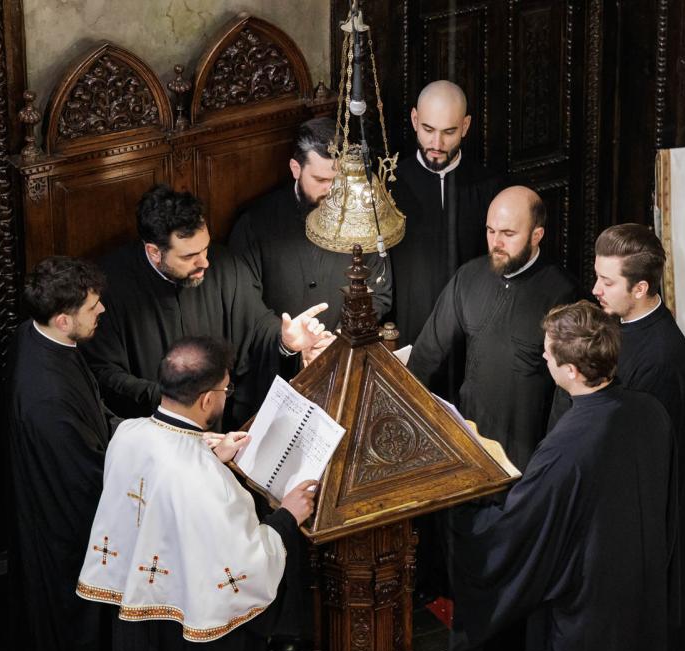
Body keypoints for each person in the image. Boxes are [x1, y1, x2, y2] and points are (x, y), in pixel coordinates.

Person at [75, 335, 318, 651]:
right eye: (225, 390)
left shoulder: (129, 434)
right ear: (207, 398)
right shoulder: (206, 481)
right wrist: (287, 515)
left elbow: (163, 486)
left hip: (137, 623)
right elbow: (248, 564)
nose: (225, 397)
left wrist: (210, 452)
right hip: (196, 643)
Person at [451, 300, 675, 651]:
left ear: (571, 370)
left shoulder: (568, 443)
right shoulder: (650, 412)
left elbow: (519, 530)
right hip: (637, 593)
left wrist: (471, 504)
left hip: (583, 613)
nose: (544, 358)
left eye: (549, 354)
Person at [82, 184, 334, 424]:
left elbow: (256, 326)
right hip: (159, 427)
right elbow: (105, 373)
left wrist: (285, 341)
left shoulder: (224, 264)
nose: (205, 262)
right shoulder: (109, 286)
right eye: (189, 256)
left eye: (205, 248)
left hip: (222, 426)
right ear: (154, 252)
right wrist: (175, 401)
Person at [5, 256, 113, 651]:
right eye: (92, 307)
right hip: (68, 537)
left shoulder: (41, 339)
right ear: (63, 319)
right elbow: (88, 479)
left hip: (55, 509)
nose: (102, 311)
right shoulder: (47, 396)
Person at [592, 223, 685, 651]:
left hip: (642, 513)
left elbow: (640, 452)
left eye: (607, 282)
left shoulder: (660, 355)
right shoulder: (623, 323)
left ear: (640, 288)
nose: (595, 290)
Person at [409, 186, 579, 473]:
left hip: (527, 455)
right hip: (470, 445)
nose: (496, 243)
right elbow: (426, 355)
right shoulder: (469, 276)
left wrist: (549, 463)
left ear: (536, 235)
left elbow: (568, 393)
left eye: (508, 234)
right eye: (490, 231)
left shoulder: (564, 293)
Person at [229, 116, 392, 333]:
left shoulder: (362, 214)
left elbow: (379, 292)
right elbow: (247, 308)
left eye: (339, 180)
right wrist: (291, 340)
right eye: (321, 180)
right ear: (296, 169)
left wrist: (341, 336)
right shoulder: (255, 225)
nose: (332, 191)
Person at [391, 80, 505, 349]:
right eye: (428, 129)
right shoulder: (389, 185)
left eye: (449, 132)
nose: (437, 143)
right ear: (415, 120)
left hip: (471, 335)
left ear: (465, 126)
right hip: (409, 332)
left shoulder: (490, 188)